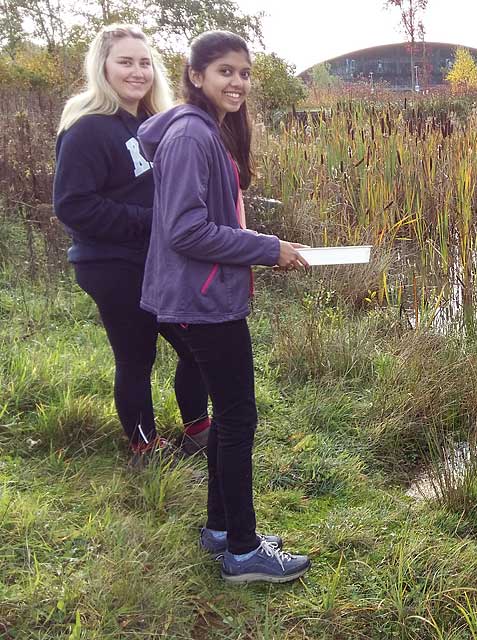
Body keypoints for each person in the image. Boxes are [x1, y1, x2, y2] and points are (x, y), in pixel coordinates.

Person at [137, 30, 311, 584]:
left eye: (243, 73)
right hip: (203, 301)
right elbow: (186, 231)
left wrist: (262, 244)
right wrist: (266, 248)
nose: (236, 83)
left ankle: (220, 528)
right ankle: (242, 550)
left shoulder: (203, 130)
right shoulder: (191, 134)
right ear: (195, 76)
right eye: (224, 72)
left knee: (230, 417)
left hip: (201, 296)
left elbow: (208, 220)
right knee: (237, 421)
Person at [53, 24, 210, 466]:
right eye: (125, 61)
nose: (137, 71)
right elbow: (73, 206)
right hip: (113, 265)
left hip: (159, 262)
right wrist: (152, 222)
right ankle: (145, 448)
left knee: (198, 347)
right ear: (103, 67)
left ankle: (198, 429)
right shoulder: (87, 129)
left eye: (144, 62)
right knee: (136, 358)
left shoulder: (154, 122)